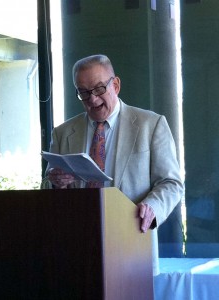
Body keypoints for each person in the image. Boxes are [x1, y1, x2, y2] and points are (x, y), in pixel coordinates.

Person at [42, 54, 184, 275]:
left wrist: (152, 207)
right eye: (84, 93)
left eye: (99, 89)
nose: (93, 100)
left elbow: (171, 183)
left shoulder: (151, 125)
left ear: (115, 85)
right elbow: (47, 186)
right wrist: (54, 182)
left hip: (132, 246)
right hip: (77, 249)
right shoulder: (63, 133)